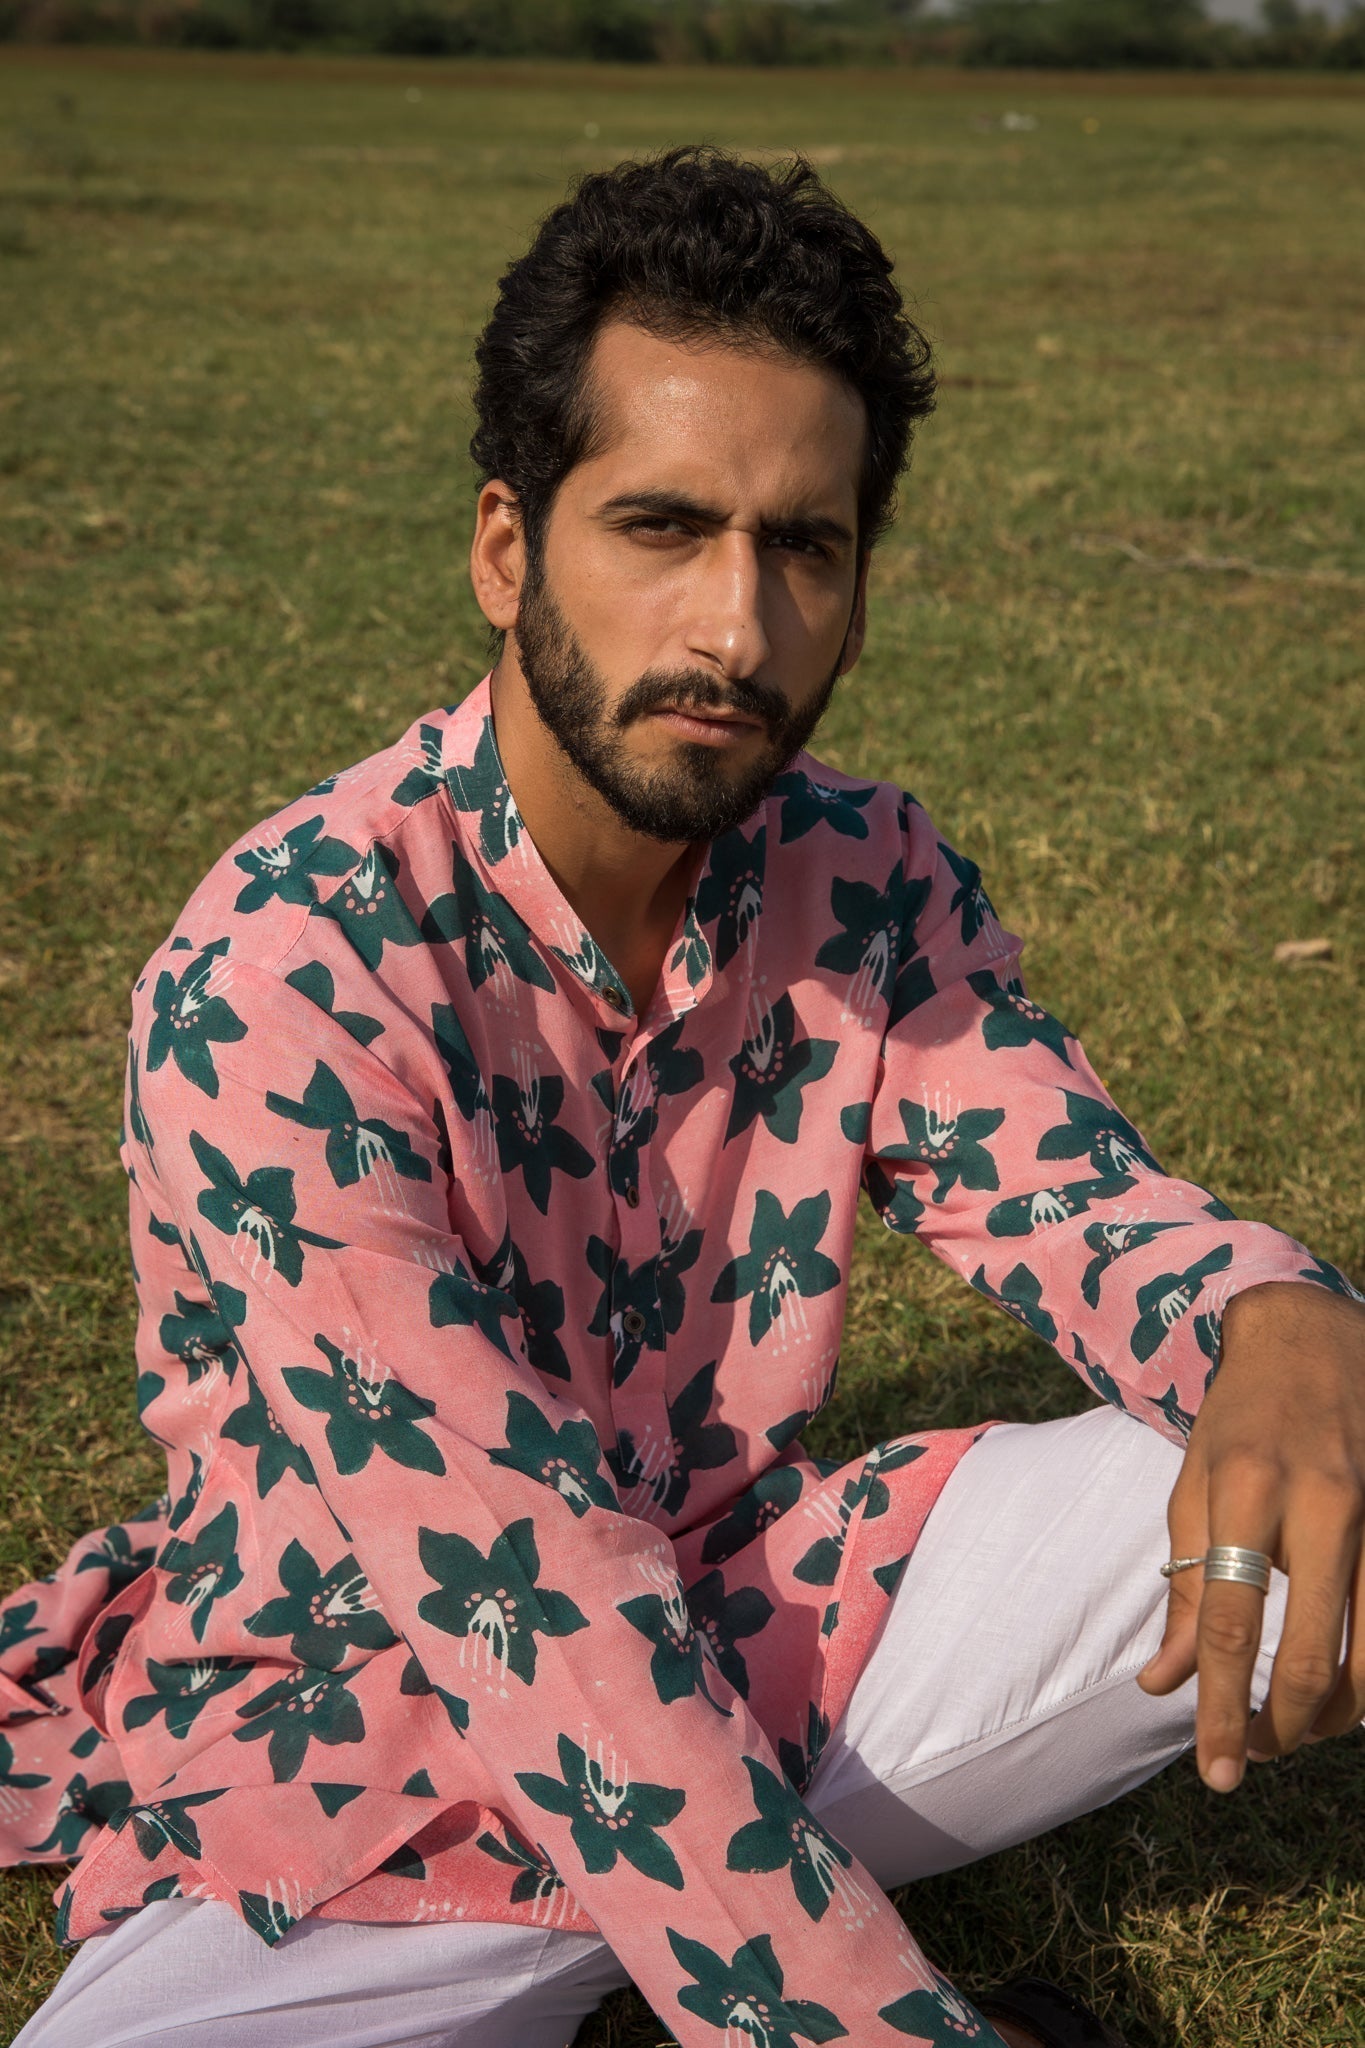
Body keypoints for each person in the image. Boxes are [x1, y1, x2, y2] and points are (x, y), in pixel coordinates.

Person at [2, 146, 1361, 2048]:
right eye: (660, 527)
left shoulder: (861, 875)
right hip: (370, 1758)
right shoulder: (284, 978)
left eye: (801, 547)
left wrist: (1275, 1315)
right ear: (506, 549)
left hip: (764, 1621)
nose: (733, 628)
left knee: (1322, 1452)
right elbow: (522, 1589)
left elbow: (1078, 1204)